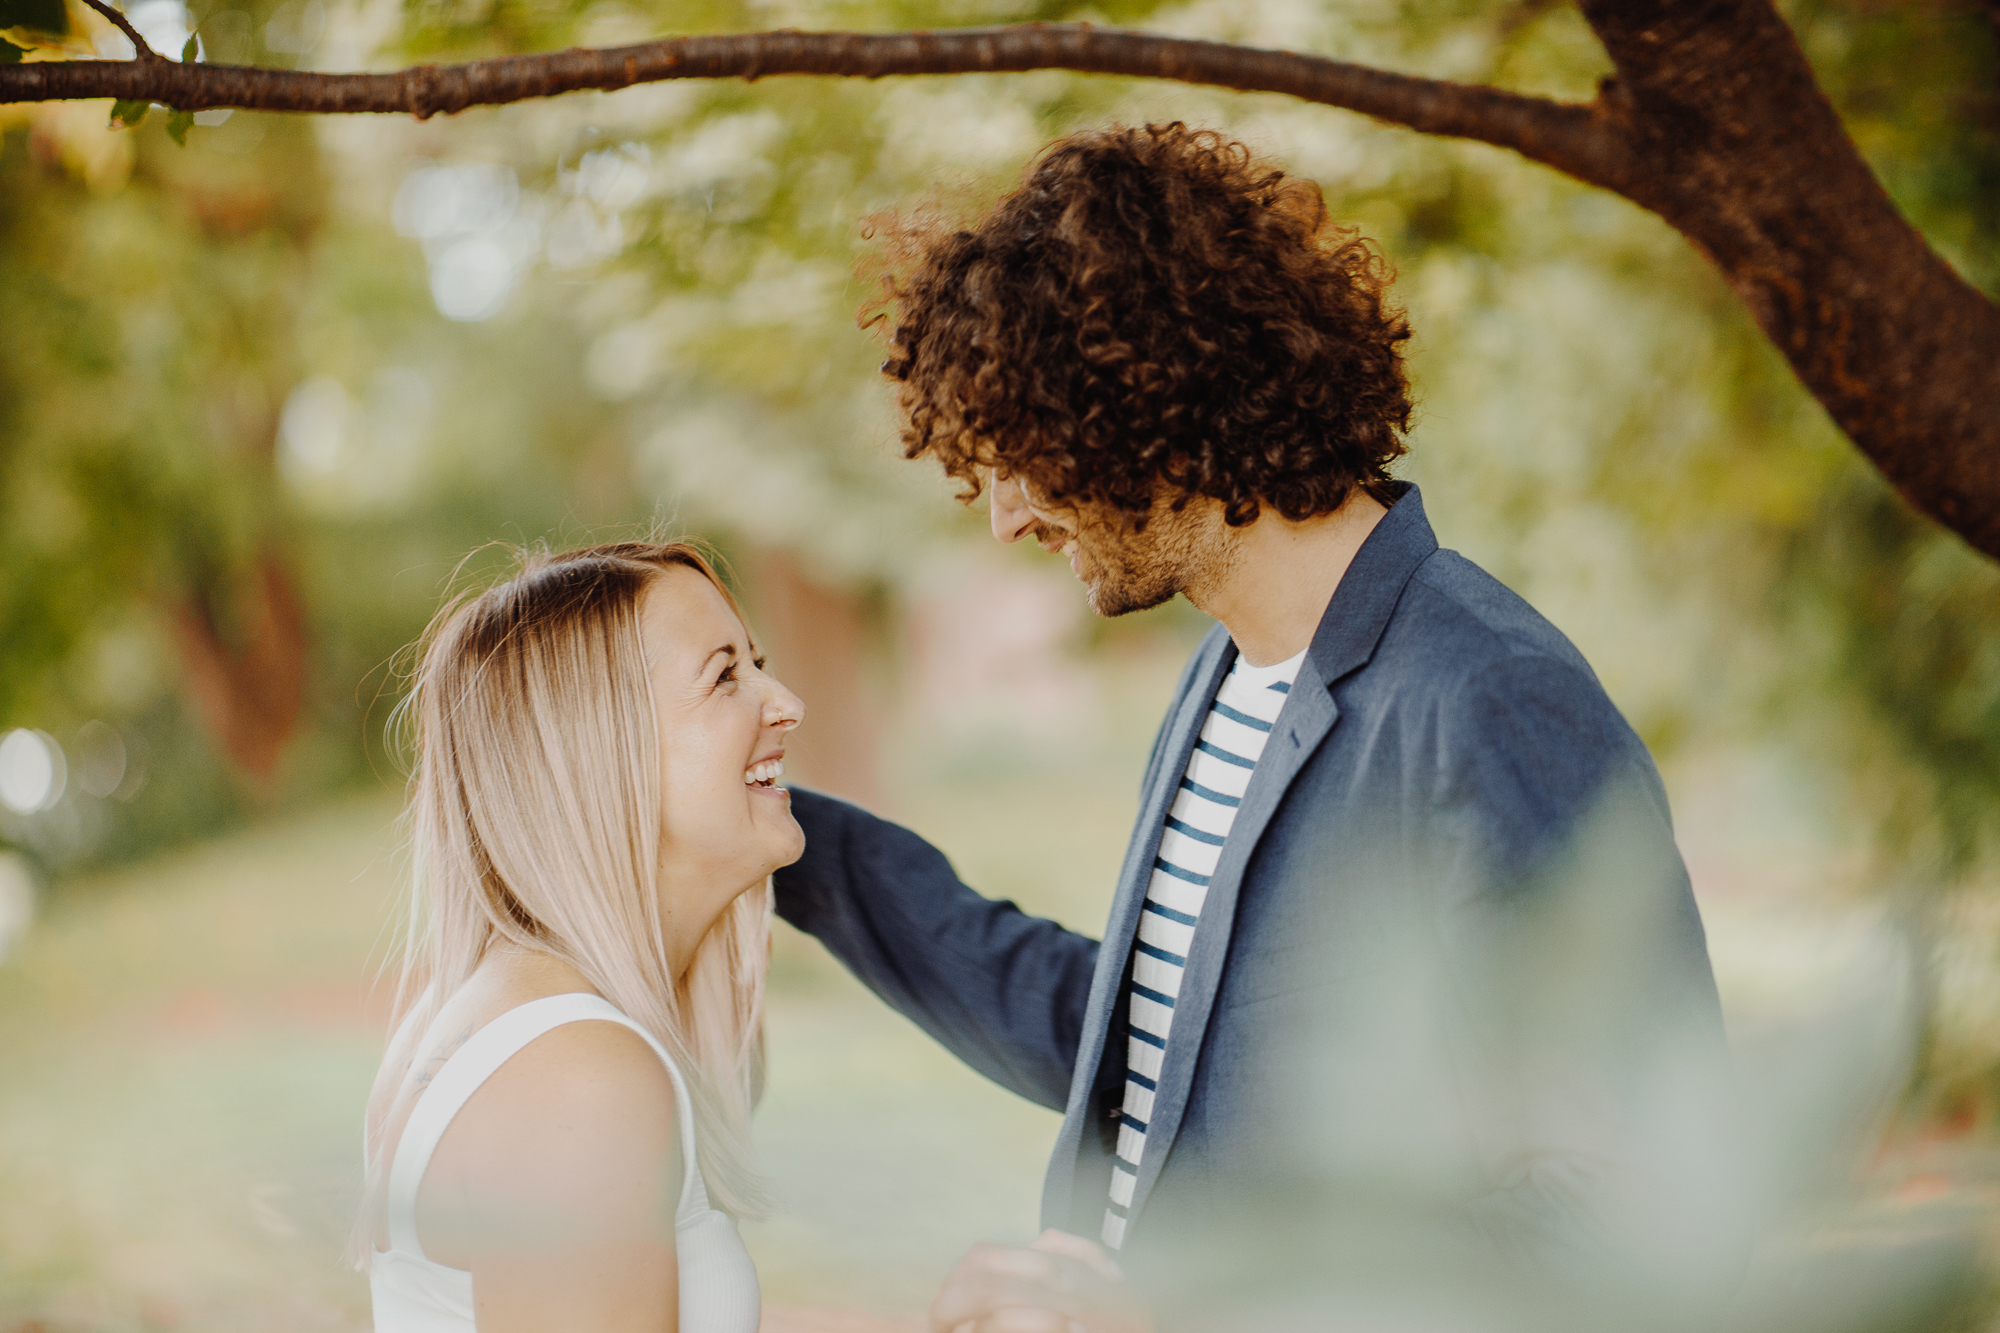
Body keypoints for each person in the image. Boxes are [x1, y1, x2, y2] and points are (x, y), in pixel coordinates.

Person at [774, 124, 1734, 1329]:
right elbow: (1147, 1044)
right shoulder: (1225, 673)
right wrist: (780, 840)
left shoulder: (1486, 700)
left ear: (1144, 409)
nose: (1005, 518)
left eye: (1021, 454)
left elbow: (1628, 1209)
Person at [356, 541, 802, 1332]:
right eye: (725, 674)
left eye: (756, 663)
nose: (786, 702)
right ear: (604, 747)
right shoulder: (579, 1078)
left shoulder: (499, 1018)